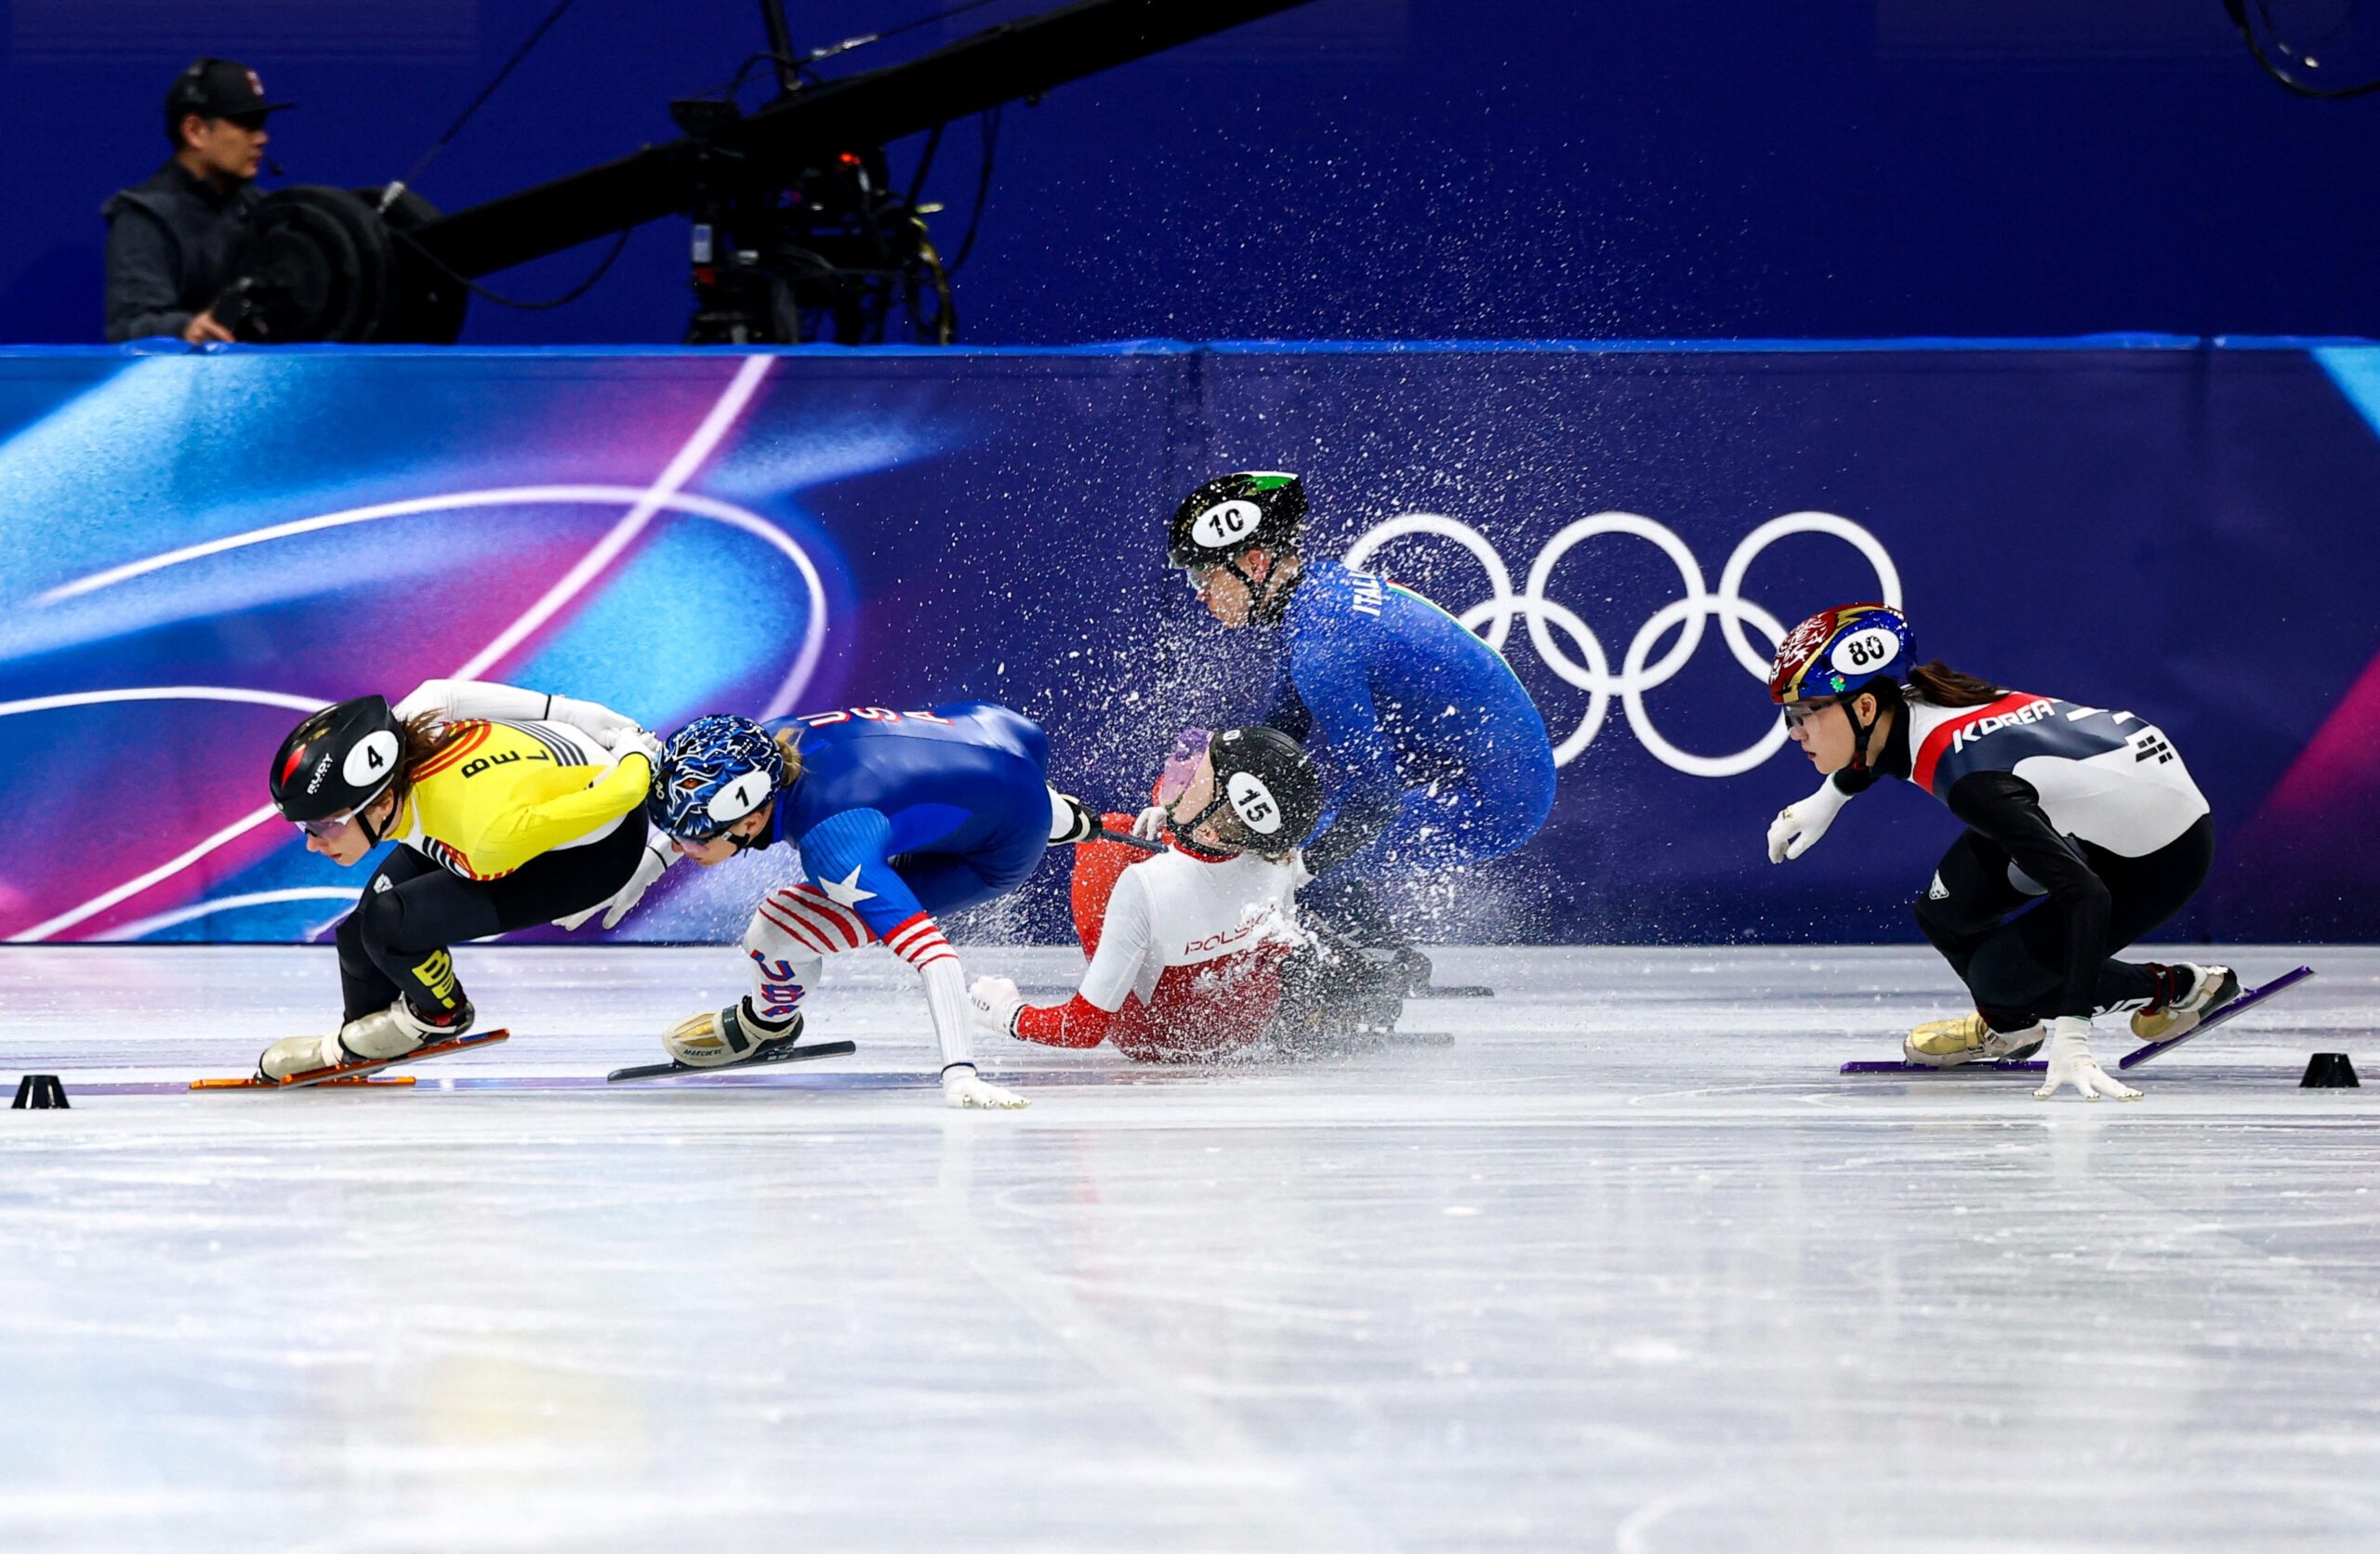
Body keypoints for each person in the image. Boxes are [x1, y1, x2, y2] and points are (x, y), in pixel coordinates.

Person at [1762, 602, 2238, 1100]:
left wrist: (2073, 1039)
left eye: (1803, 715)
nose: (1795, 732)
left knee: (2003, 980)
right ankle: (2010, 1027)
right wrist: (1828, 798)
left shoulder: (1973, 782)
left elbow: (2086, 895)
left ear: (1862, 708)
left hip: (2159, 853)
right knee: (1943, 913)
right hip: (2091, 811)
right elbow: (1880, 749)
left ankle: (2182, 988)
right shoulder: (1913, 702)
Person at [1160, 471, 1556, 974]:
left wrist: (1296, 868)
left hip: (1501, 799)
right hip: (1486, 770)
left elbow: (1377, 798)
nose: (1199, 595)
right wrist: (1200, 803)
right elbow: (1280, 733)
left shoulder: (1322, 649)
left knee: (1298, 863)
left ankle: (1367, 978)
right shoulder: (1317, 600)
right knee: (1289, 847)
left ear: (1254, 564)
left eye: (1204, 577)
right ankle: (1379, 960)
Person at [646, 701, 1104, 1109]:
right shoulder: (770, 741)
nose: (681, 845)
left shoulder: (835, 841)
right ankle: (1057, 815)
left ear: (750, 820)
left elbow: (936, 959)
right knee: (1000, 799)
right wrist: (643, 872)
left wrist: (960, 1074)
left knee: (775, 929)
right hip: (998, 732)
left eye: (690, 835)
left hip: (993, 854)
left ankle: (768, 1026)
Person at [257, 680, 667, 1081]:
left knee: (389, 924)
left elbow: (626, 792)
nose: (312, 844)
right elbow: (442, 693)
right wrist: (569, 713)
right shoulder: (401, 738)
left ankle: (439, 1015)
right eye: (303, 827)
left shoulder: (485, 835)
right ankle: (361, 1044)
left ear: (381, 803)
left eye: (324, 825)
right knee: (355, 935)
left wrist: (634, 751)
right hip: (509, 802)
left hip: (595, 852)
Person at [969, 726, 1400, 1062]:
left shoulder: (1145, 885)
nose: (1184, 775)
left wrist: (1006, 1012)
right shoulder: (1278, 861)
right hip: (1246, 1025)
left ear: (1212, 827)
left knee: (1107, 837)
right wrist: (1184, 828)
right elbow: (1364, 817)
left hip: (1156, 1041)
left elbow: (1082, 1029)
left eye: (1199, 778)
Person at [103, 58, 292, 344]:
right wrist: (187, 329)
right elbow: (130, 326)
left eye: (262, 124)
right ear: (195, 130)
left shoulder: (263, 210)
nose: (262, 138)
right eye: (247, 123)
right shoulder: (146, 216)